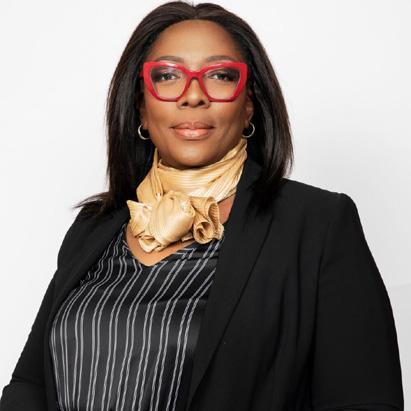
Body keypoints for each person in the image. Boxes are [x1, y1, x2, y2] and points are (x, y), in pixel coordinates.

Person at [0, 1, 404, 410]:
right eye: (168, 76)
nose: (193, 95)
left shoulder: (318, 224)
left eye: (220, 76)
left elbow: (365, 402)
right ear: (141, 105)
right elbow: (30, 387)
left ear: (249, 103)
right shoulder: (94, 225)